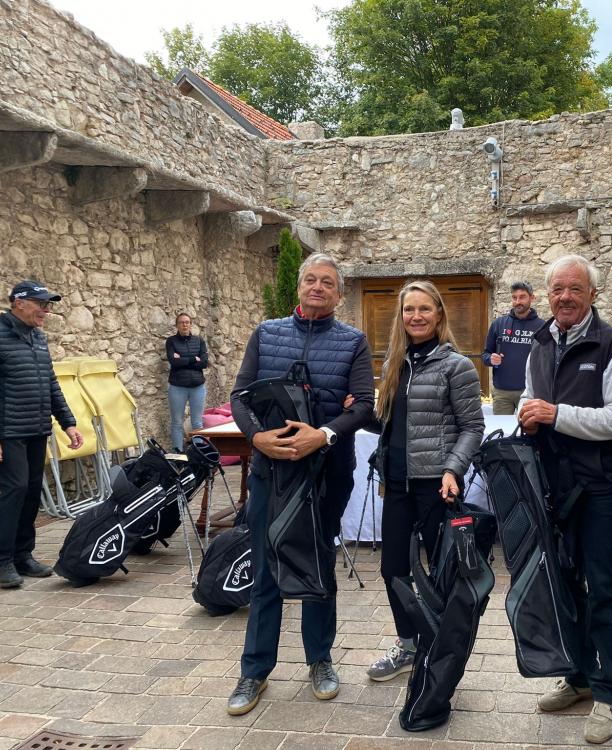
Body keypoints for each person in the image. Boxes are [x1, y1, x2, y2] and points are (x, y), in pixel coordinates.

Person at [226, 253, 374, 715]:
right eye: (310, 279)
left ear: (339, 294)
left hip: (327, 472)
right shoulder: (266, 333)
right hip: (271, 471)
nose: (317, 287)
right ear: (298, 287)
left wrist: (323, 434)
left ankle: (320, 660)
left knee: (319, 562)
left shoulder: (353, 341)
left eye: (327, 282)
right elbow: (239, 395)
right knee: (265, 565)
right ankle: (254, 670)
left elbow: (364, 404)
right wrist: (257, 438)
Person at [517, 255, 612, 745]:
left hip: (599, 485)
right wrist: (528, 415)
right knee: (564, 585)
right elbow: (530, 400)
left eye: (575, 289)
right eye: (557, 289)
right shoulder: (540, 343)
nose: (565, 297)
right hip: (553, 486)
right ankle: (580, 675)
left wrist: (555, 414)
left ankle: (609, 691)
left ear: (592, 294)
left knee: (603, 586)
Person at [366, 280, 484, 681]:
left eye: (424, 309)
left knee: (440, 573)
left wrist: (453, 469)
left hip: (437, 485)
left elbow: (472, 427)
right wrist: (360, 411)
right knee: (393, 569)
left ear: (438, 315)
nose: (416, 316)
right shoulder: (394, 364)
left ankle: (441, 652)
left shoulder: (457, 366)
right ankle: (408, 645)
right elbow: (392, 422)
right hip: (397, 483)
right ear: (401, 317)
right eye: (408, 310)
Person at [0, 280, 83, 589]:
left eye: (48, 305)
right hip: (7, 433)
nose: (46, 310)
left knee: (32, 492)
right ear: (19, 303)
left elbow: (50, 384)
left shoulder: (37, 338)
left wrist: (68, 422)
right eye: (41, 304)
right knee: (15, 489)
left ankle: (23, 556)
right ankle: (2, 561)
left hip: (36, 429)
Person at [482, 281, 543, 415]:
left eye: (522, 297)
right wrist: (491, 359)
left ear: (532, 298)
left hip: (529, 391)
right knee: (501, 427)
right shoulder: (498, 324)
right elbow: (485, 355)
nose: (517, 301)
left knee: (528, 427)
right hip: (502, 392)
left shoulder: (542, 327)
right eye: (514, 297)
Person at [165, 312, 208, 451]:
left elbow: (204, 363)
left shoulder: (199, 341)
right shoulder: (171, 341)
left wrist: (182, 359)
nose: (184, 325)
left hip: (197, 386)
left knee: (197, 422)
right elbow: (173, 362)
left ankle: (199, 454)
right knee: (177, 422)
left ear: (191, 324)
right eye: (181, 322)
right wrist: (193, 359)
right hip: (177, 387)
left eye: (187, 322)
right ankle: (178, 455)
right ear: (177, 325)